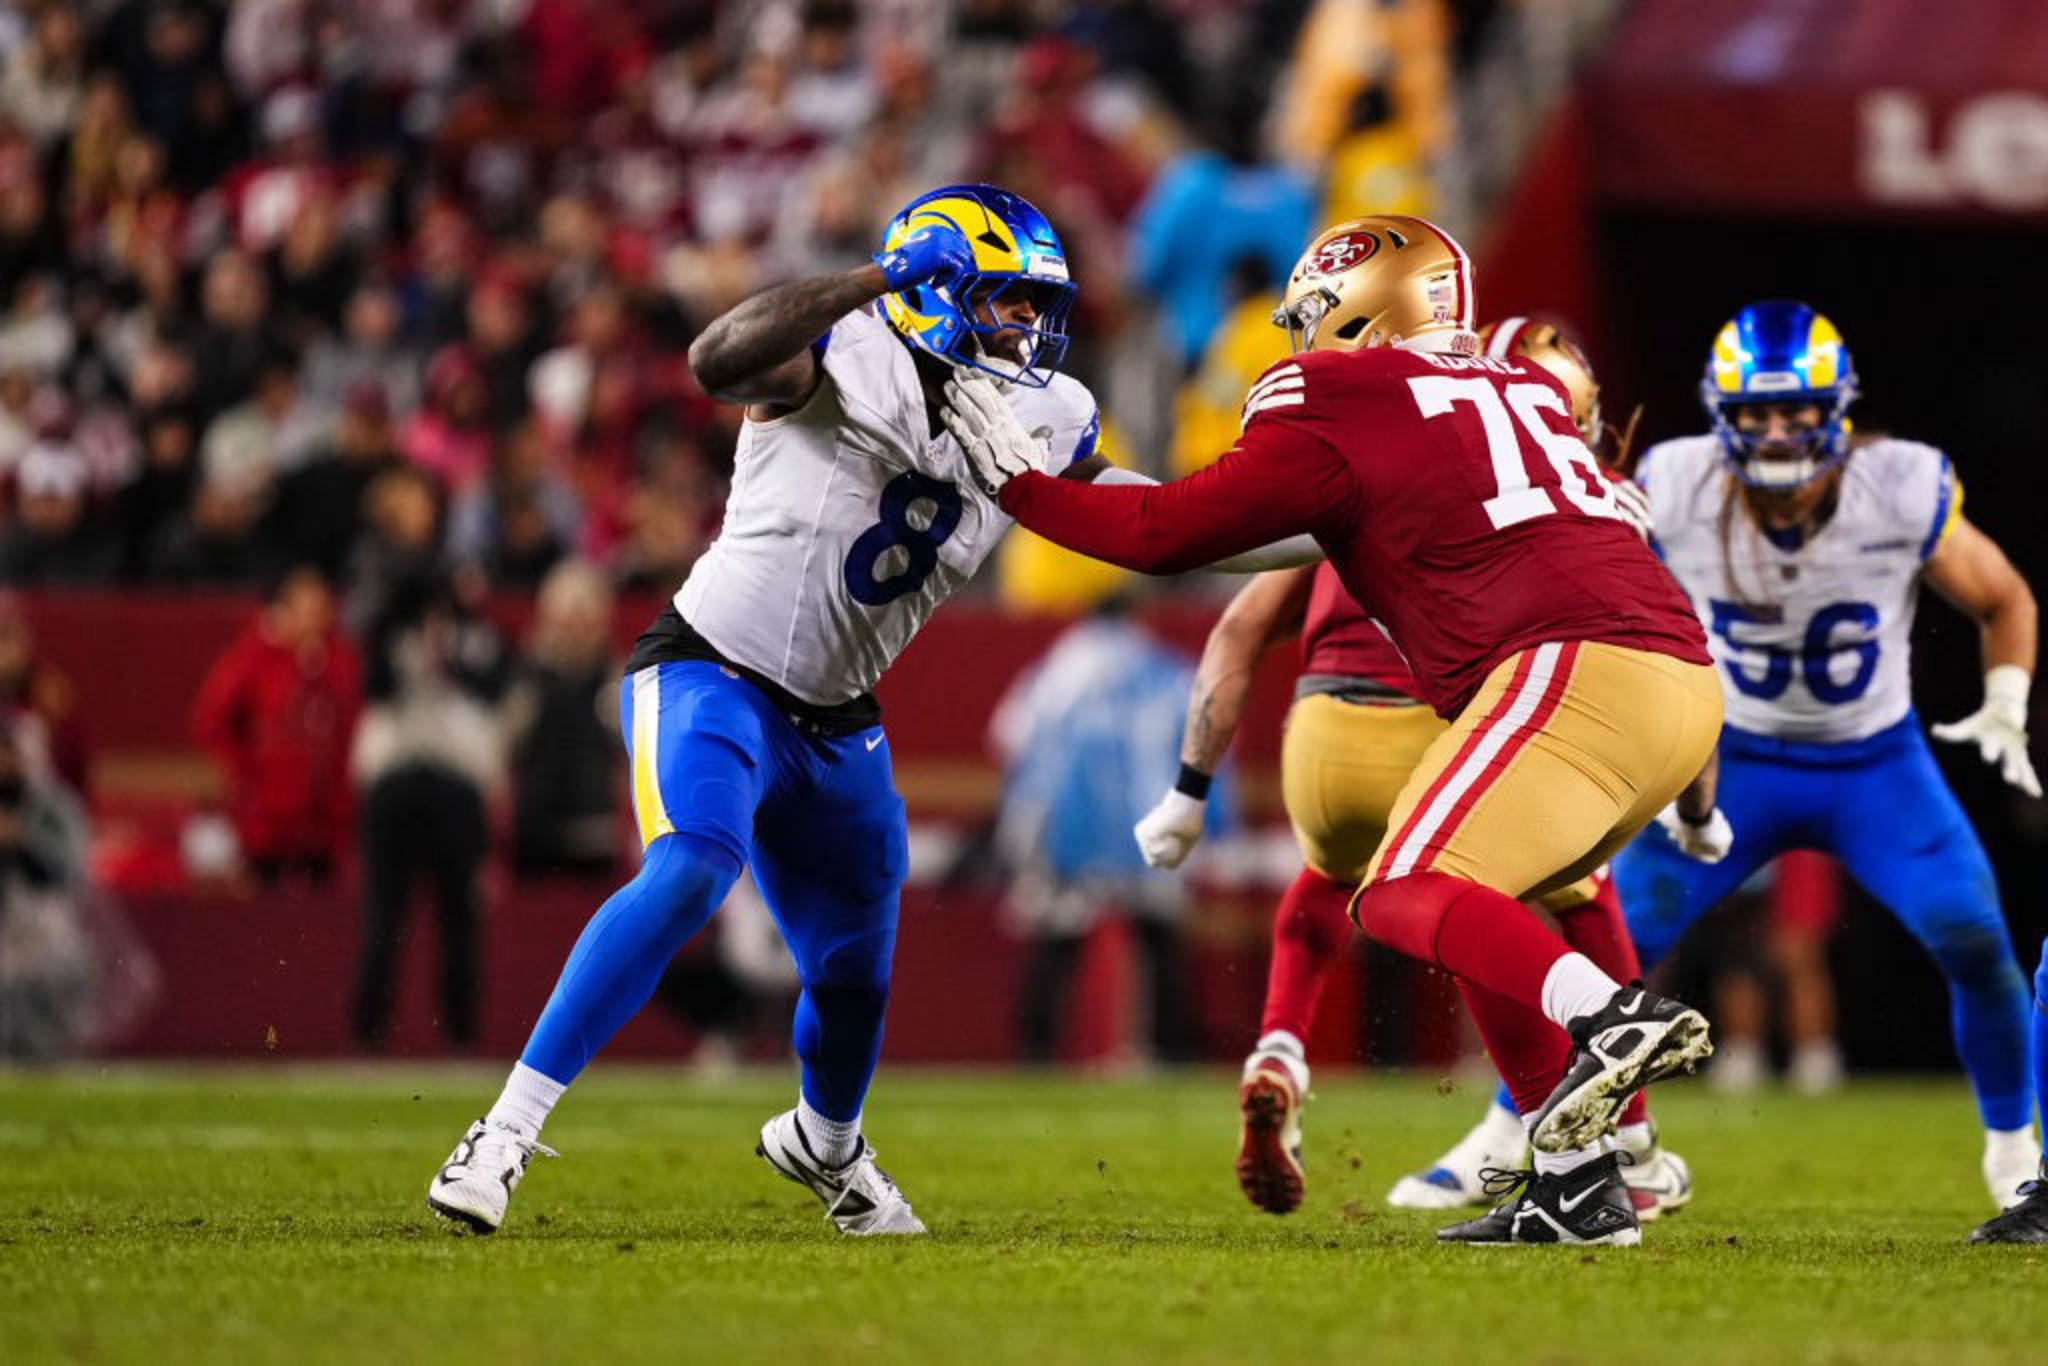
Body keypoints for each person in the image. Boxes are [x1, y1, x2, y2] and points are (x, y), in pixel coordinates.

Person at [425, 183, 1299, 1238]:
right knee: (692, 866)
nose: (1028, 324)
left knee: (852, 977)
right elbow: (716, 359)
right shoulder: (840, 350)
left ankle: (827, 1145)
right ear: (934, 285)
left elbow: (1157, 520)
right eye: (1009, 298)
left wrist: (1321, 530)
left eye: (1037, 305)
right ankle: (503, 1132)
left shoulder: (1045, 411)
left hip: (838, 718)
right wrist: (877, 277)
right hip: (713, 670)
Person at [944, 215, 1724, 1246]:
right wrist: (1081, 478)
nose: (1302, 338)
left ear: (1364, 311)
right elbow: (1253, 531)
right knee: (1475, 898)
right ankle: (1580, 1187)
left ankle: (1610, 1019)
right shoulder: (1517, 388)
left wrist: (1015, 485)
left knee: (1399, 891)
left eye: (1314, 314)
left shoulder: (1340, 392)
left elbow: (1163, 536)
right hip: (1676, 680)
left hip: (1572, 668)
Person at [1134, 318, 1690, 1223]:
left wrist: (1186, 792)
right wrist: (1691, 801)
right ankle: (1618, 1138)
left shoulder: (1365, 452)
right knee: (1549, 894)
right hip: (1437, 724)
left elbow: (1238, 629)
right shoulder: (1585, 499)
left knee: (1331, 881)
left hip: (1320, 735)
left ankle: (1279, 1048)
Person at [1601, 302, 2037, 1228]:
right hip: (1732, 759)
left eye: (1793, 409)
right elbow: (1603, 600)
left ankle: (2014, 1151)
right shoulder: (1676, 482)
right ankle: (1511, 1134)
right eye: (1753, 413)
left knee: (1974, 936)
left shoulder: (1899, 484)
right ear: (1721, 416)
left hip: (1872, 762)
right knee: (1607, 941)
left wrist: (2007, 700)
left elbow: (2004, 596)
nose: (1774, 430)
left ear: (1835, 409)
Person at [991, 596, 1218, 1066]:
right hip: (1149, 822)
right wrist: (1211, 821)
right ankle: (1171, 1050)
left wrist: (1024, 827)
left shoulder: (1054, 675)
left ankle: (1036, 1053)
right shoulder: (1164, 670)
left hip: (1067, 828)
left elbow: (1009, 738)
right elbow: (1205, 734)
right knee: (1157, 937)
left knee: (1058, 941)